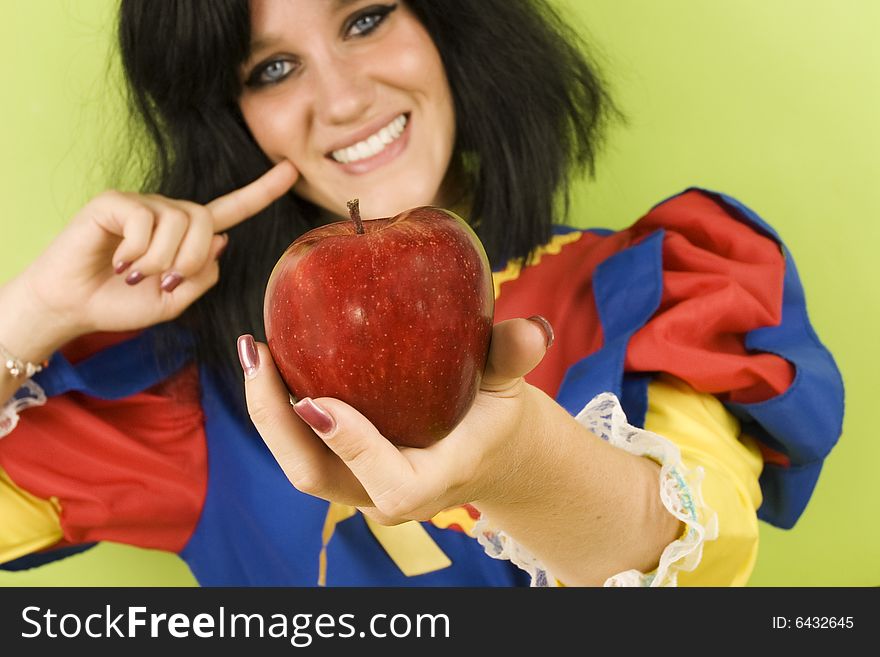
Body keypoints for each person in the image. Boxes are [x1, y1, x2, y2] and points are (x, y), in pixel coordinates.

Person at [0, 0, 843, 587]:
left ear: (449, 23)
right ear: (230, 119)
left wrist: (523, 466)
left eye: (366, 19)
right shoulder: (212, 391)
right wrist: (36, 312)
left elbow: (706, 567)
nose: (342, 97)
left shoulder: (645, 290)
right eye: (273, 67)